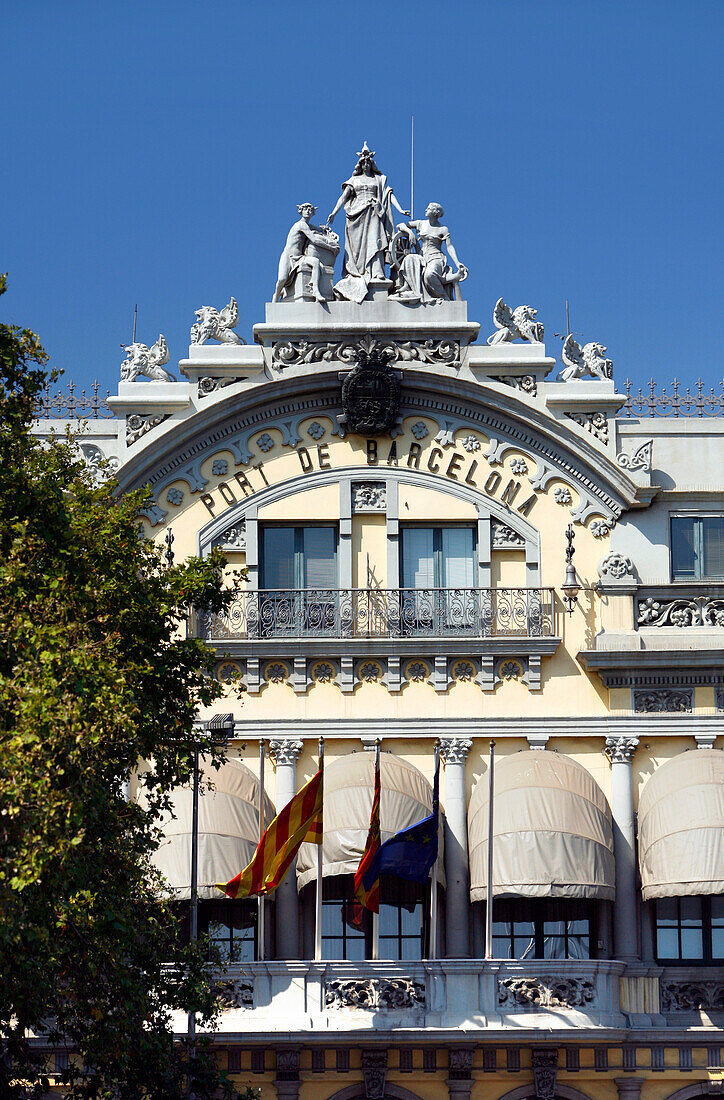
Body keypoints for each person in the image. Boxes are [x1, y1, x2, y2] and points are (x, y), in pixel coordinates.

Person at [327, 143, 409, 301]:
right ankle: (356, 273)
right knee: (357, 249)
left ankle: (377, 272)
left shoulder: (379, 179)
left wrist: (400, 210)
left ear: (372, 164)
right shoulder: (353, 180)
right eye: (363, 162)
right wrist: (334, 212)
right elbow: (343, 198)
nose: (366, 164)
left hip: (374, 213)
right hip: (356, 216)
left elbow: (388, 195)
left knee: (376, 242)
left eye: (368, 162)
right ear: (360, 164)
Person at [391, 202, 467, 302]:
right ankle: (408, 285)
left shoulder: (442, 229)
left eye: (429, 209)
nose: (426, 210)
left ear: (435, 212)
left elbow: (449, 246)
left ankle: (444, 297)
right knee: (409, 258)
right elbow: (400, 225)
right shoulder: (420, 223)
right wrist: (410, 233)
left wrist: (457, 263)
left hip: (436, 257)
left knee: (429, 275)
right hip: (422, 256)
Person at [272, 203, 337, 304]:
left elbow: (318, 229)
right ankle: (276, 296)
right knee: (282, 279)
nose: (307, 211)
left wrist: (324, 230)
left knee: (315, 262)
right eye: (305, 209)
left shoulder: (308, 226)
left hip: (300, 257)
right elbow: (314, 240)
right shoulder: (300, 225)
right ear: (301, 211)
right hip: (289, 257)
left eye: (310, 210)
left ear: (313, 213)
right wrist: (331, 248)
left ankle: (315, 290)